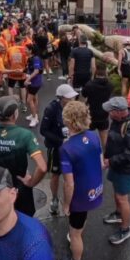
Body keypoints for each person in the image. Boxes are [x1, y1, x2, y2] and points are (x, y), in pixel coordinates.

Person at [56, 102, 104, 260]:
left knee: (75, 233)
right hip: (94, 190)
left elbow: (69, 184)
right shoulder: (93, 136)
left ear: (68, 121)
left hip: (80, 196)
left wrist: (67, 204)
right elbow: (100, 163)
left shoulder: (66, 149)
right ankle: (76, 237)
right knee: (81, 221)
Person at [101, 97, 130, 245]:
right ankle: (118, 214)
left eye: (110, 111)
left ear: (118, 112)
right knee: (117, 192)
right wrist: (107, 158)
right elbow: (112, 141)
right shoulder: (118, 121)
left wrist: (111, 160)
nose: (108, 113)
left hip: (126, 168)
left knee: (122, 198)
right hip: (116, 164)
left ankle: (125, 229)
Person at [40, 84, 78, 218]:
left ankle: (70, 199)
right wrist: (60, 141)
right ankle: (55, 199)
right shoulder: (51, 109)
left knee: (71, 176)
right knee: (55, 175)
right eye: (69, 97)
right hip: (55, 148)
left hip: (71, 148)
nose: (72, 99)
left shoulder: (73, 108)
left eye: (73, 96)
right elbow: (43, 130)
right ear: (61, 98)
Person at [81, 65, 113, 148]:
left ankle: (88, 156)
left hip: (90, 115)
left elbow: (83, 95)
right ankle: (105, 158)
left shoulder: (89, 84)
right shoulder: (110, 85)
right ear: (106, 73)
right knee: (104, 139)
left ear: (95, 72)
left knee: (87, 138)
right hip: (104, 114)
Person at [24, 44, 44, 128]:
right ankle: (34, 114)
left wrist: (28, 80)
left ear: (30, 50)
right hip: (33, 82)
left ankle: (35, 118)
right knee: (34, 98)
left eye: (26, 49)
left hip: (35, 83)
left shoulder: (35, 58)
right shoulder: (31, 58)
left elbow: (36, 71)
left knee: (29, 100)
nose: (25, 51)